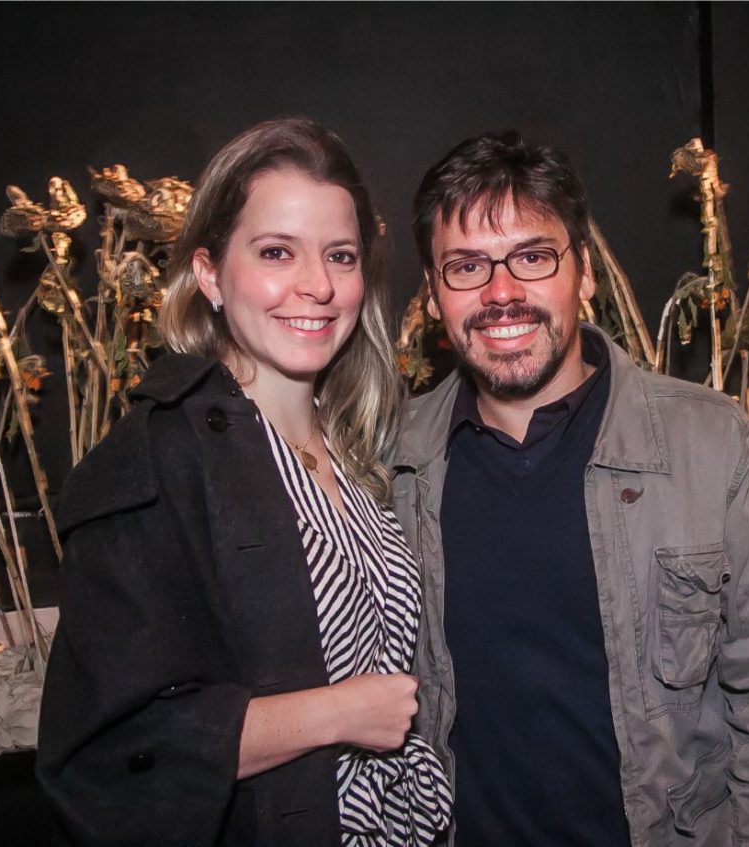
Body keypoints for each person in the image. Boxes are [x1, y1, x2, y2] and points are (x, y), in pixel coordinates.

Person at [392, 131, 749, 845]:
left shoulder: (709, 444)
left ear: (585, 273)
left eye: (533, 257)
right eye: (466, 266)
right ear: (433, 290)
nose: (501, 292)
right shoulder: (389, 465)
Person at [36, 118, 450, 846]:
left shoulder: (360, 448)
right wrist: (334, 714)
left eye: (341, 255)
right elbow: (106, 756)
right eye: (276, 252)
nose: (317, 285)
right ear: (208, 273)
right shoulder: (156, 459)